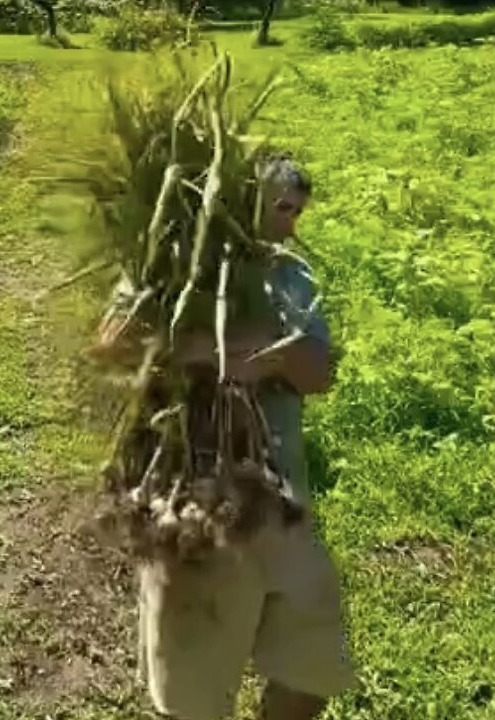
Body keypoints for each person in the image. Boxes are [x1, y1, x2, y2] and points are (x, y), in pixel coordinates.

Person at [90, 154, 355, 720]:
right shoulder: (166, 264)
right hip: (188, 501)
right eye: (282, 208)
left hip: (279, 497)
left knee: (312, 662)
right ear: (239, 199)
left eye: (298, 212)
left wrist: (264, 358)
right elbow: (112, 349)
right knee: (190, 687)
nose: (292, 225)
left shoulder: (291, 275)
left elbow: (320, 371)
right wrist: (188, 345)